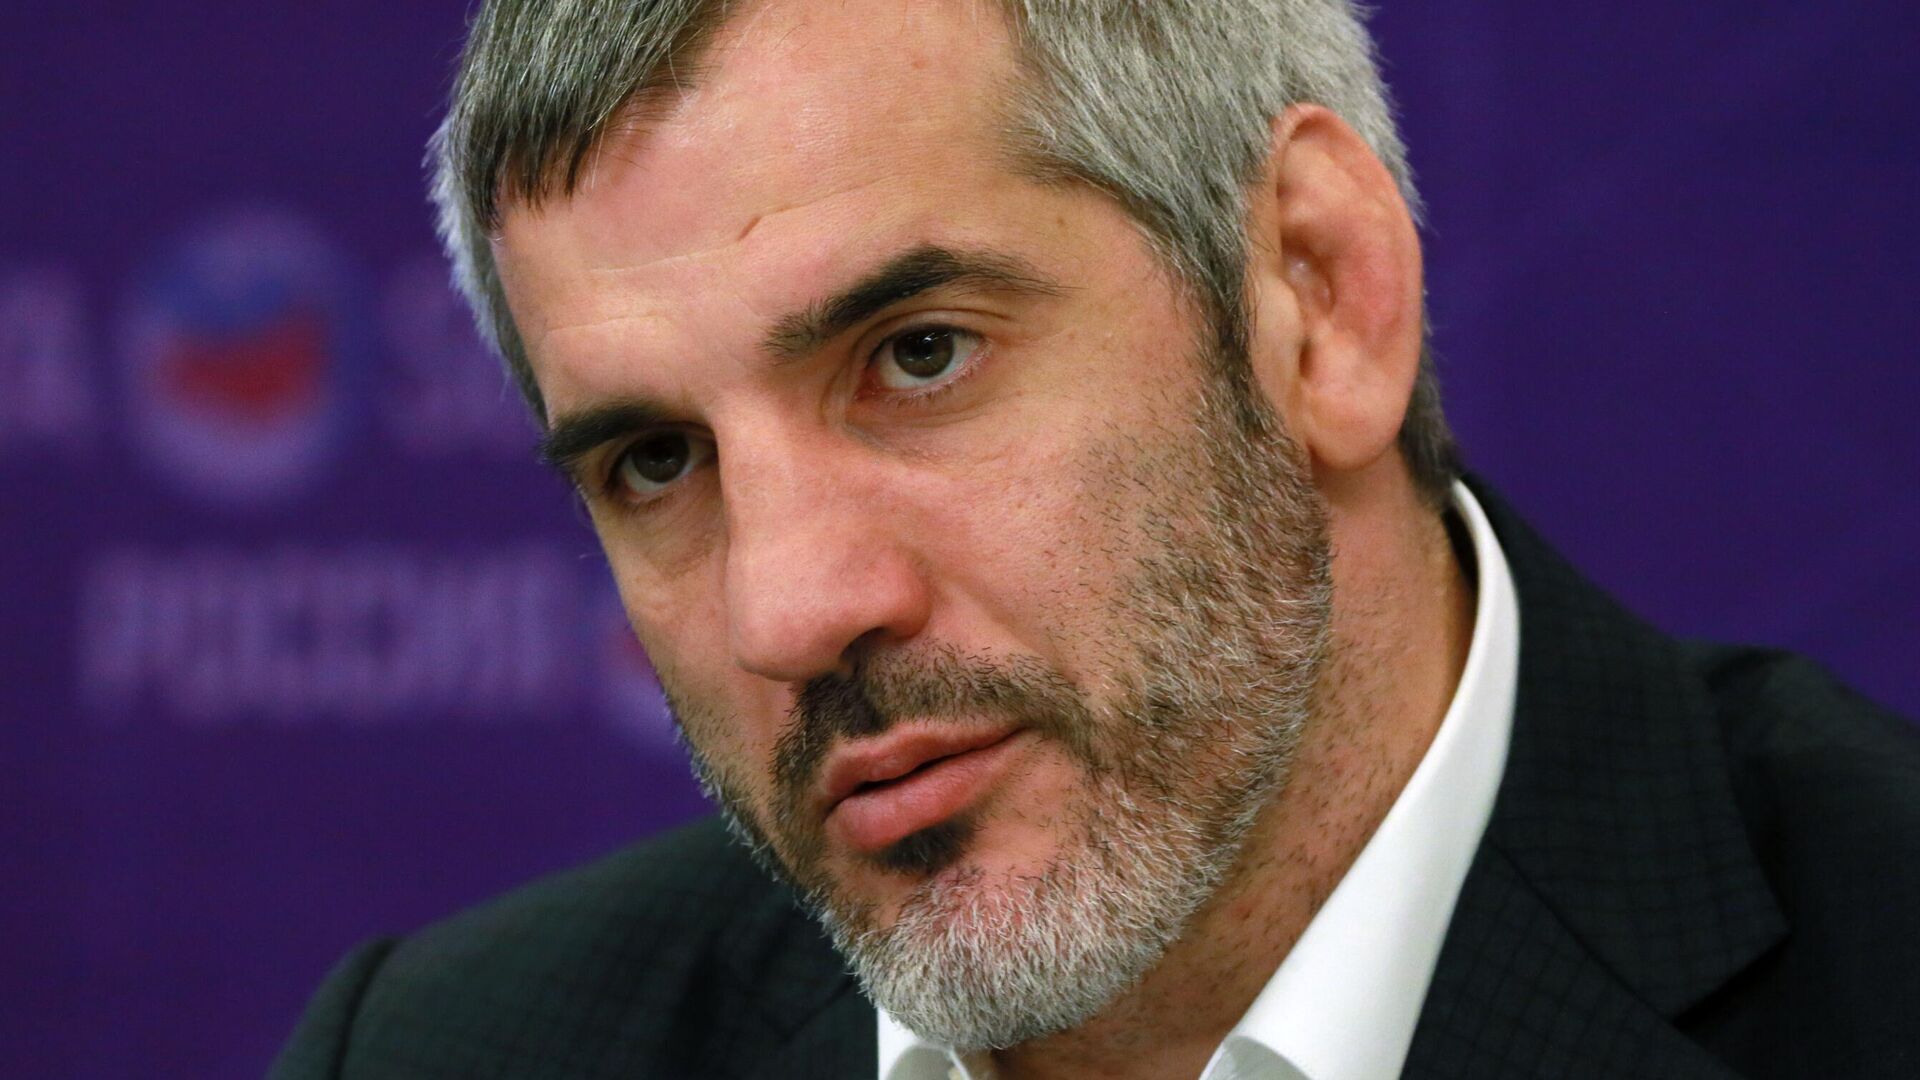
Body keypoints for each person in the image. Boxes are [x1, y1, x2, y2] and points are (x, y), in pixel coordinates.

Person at [273, 1, 1920, 1077]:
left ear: (1317, 295)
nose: (788, 609)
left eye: (920, 355)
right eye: (655, 462)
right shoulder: (448, 1055)